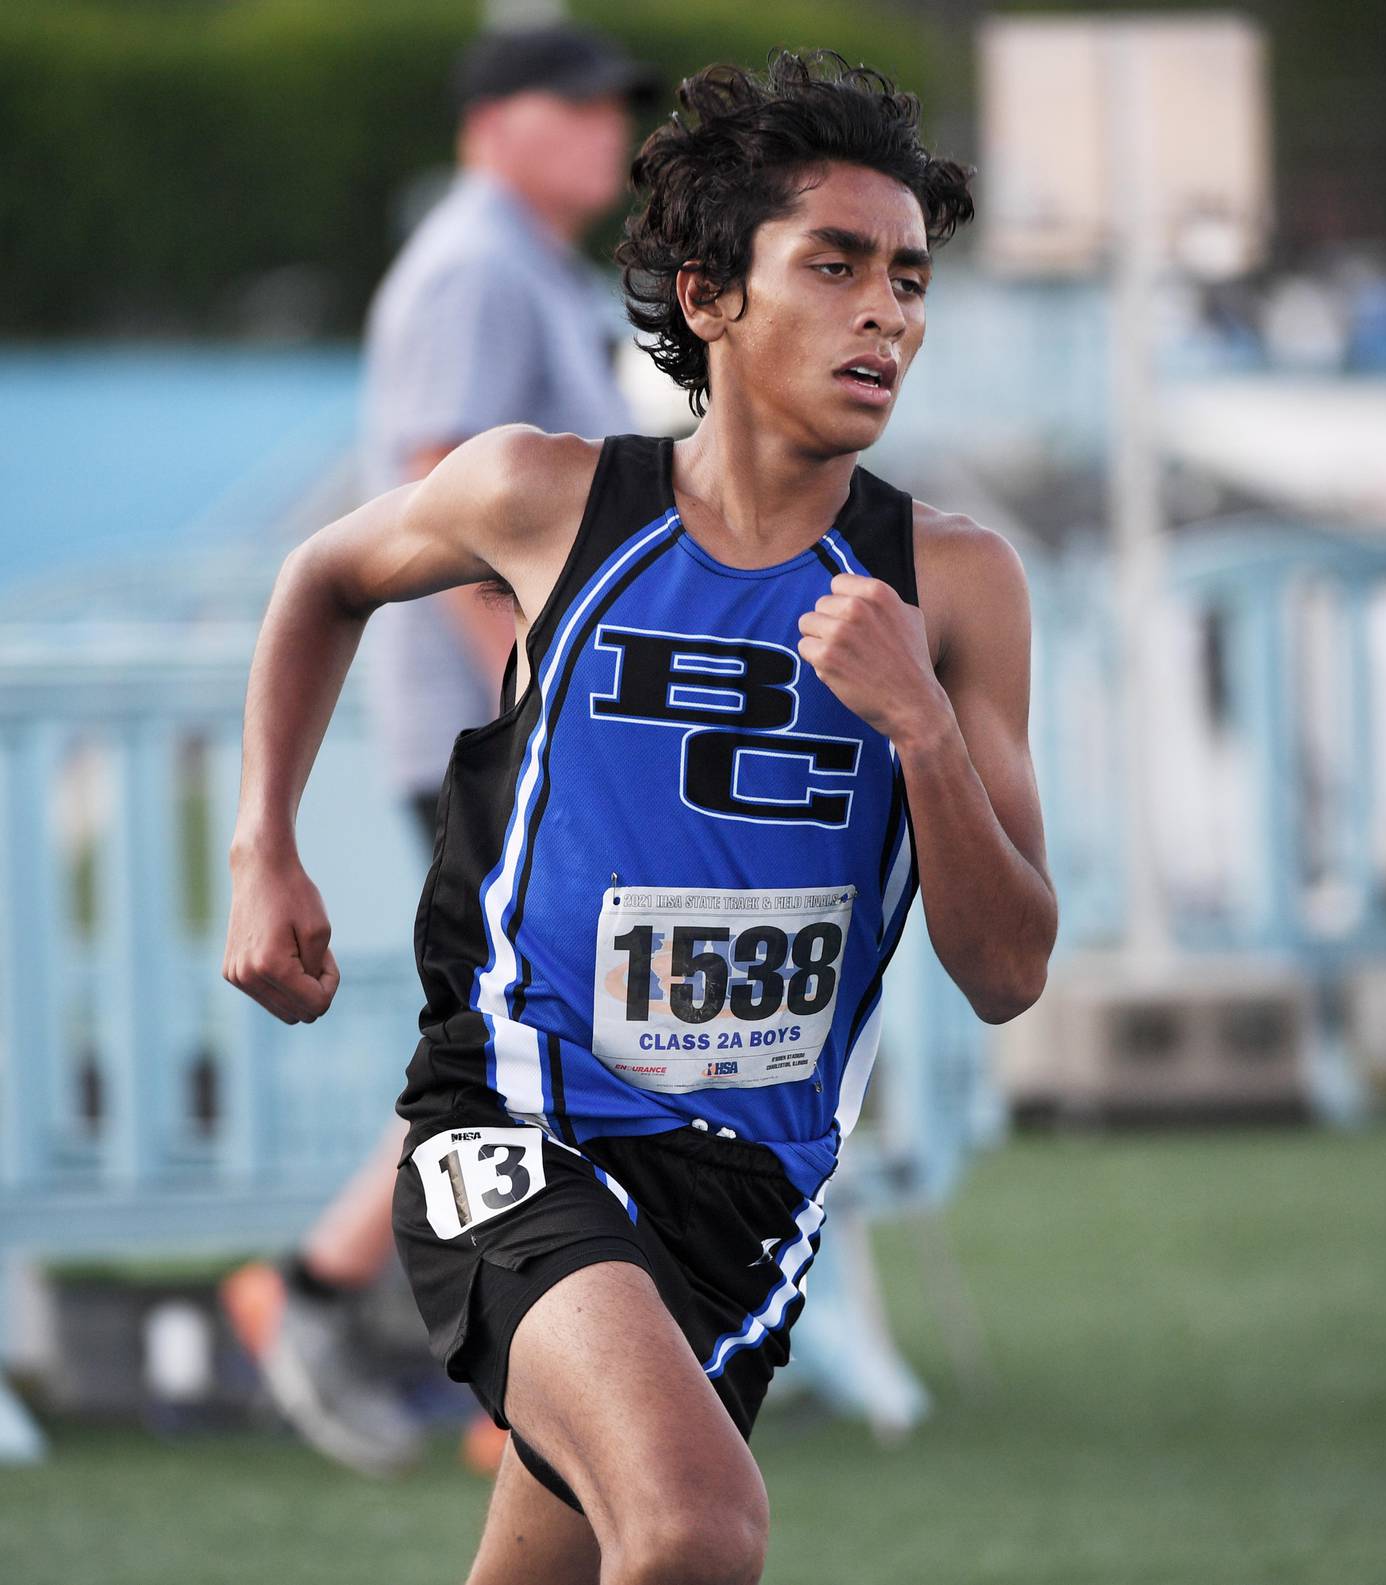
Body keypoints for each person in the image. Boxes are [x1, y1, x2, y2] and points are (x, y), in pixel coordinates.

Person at [224, 50, 1057, 1584]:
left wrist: (922, 726)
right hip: (517, 1122)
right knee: (695, 1527)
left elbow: (1009, 969)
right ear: (710, 295)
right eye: (838, 264)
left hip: (751, 1191)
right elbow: (321, 576)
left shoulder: (957, 584)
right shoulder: (548, 498)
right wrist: (260, 843)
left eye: (913, 278)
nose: (890, 313)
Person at [221, 22, 658, 1478]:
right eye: (578, 106)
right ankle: (337, 1294)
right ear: (494, 121)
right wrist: (544, 714)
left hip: (511, 727)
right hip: (504, 737)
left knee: (557, 1032)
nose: (608, 133)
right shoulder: (476, 262)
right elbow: (453, 502)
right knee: (541, 1037)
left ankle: (404, 1312)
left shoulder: (518, 259)